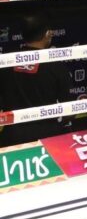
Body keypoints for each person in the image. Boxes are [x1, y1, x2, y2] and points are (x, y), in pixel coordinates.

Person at [0, 12, 71, 146]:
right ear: (47, 34)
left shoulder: (6, 62)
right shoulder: (55, 65)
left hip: (12, 137)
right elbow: (69, 110)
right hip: (48, 137)